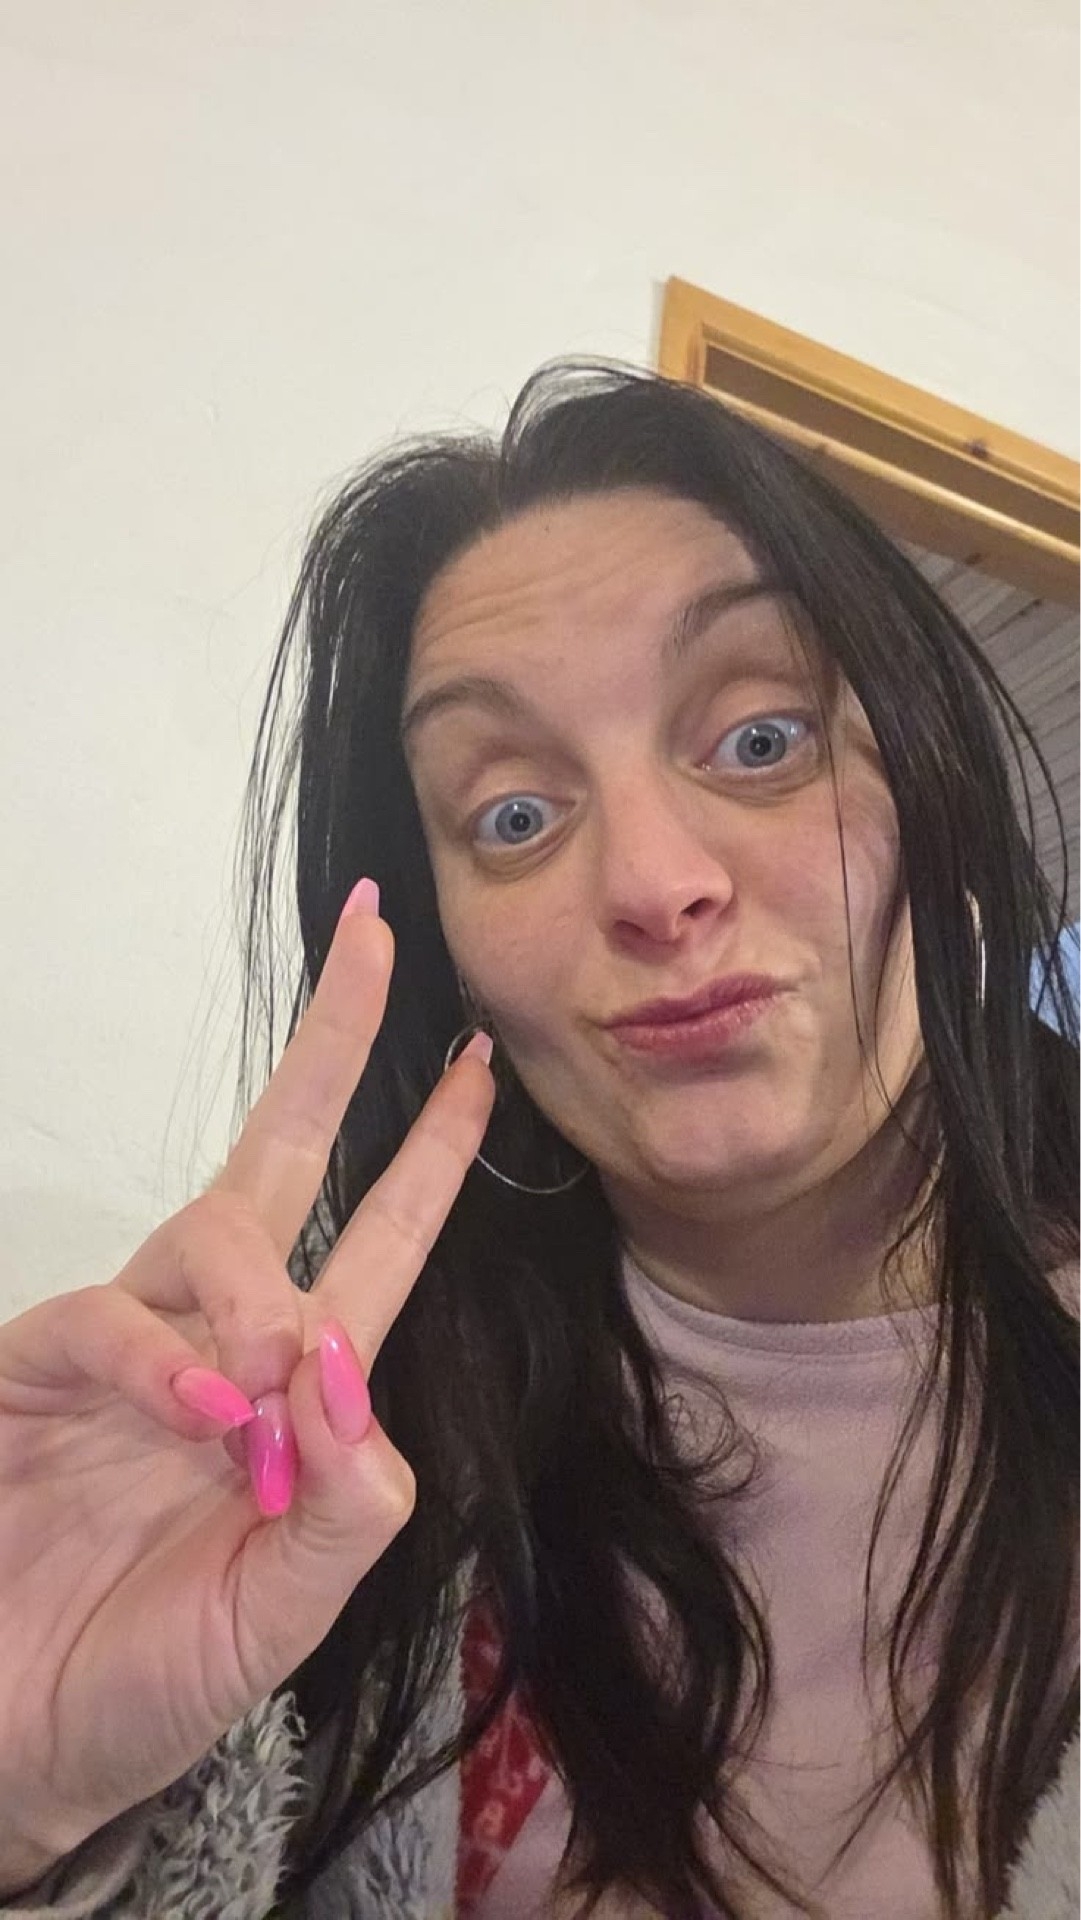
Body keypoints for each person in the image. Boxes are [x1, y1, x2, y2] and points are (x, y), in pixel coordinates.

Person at [0, 361, 1077, 1920]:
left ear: (929, 774)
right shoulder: (317, 1422)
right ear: (450, 952)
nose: (652, 882)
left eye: (759, 739)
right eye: (512, 815)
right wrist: (31, 1813)